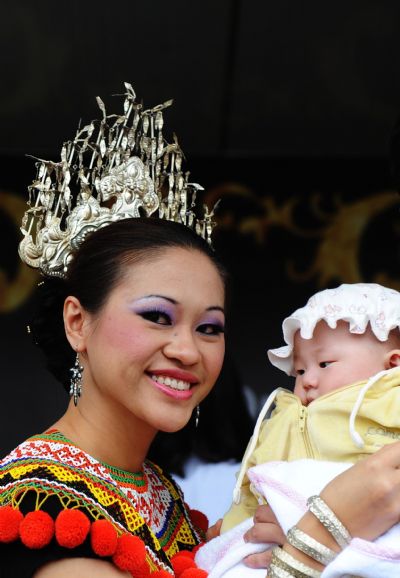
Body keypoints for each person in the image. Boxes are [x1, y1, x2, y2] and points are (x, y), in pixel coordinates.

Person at [0, 84, 227, 577]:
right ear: (77, 322)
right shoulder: (39, 500)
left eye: (210, 327)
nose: (188, 350)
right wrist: (316, 535)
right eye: (156, 316)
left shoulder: (161, 494)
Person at [195, 283, 400, 577]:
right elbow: (254, 487)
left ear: (392, 365)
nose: (308, 380)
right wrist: (231, 527)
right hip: (274, 545)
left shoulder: (391, 398)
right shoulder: (283, 418)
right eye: (300, 370)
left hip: (375, 532)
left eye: (325, 363)